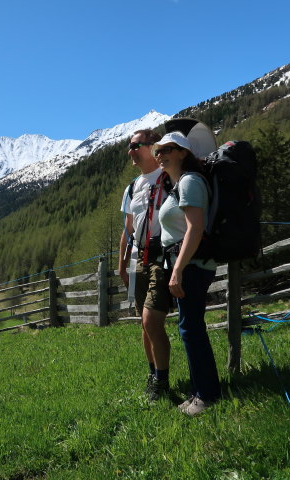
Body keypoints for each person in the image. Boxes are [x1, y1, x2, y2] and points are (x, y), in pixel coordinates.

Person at [154, 131, 221, 416]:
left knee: (191, 329)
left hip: (192, 266)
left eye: (168, 149)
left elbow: (195, 229)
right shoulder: (180, 183)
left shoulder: (191, 181)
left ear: (183, 152)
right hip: (186, 264)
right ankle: (199, 391)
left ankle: (206, 395)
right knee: (189, 328)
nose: (160, 154)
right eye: (158, 150)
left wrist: (178, 269)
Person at [119, 129, 172, 401]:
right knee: (144, 323)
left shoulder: (169, 178)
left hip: (163, 254)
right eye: (130, 146)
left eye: (136, 145)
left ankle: (162, 381)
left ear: (153, 147)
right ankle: (153, 375)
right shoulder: (132, 186)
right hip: (139, 257)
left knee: (152, 320)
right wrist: (122, 264)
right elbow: (128, 229)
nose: (131, 151)